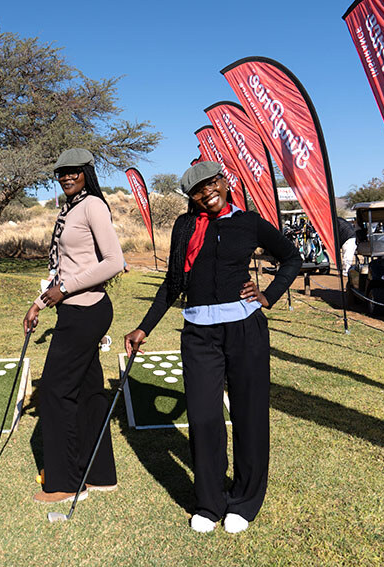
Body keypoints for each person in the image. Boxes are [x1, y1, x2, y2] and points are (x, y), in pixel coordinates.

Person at [124, 161, 300, 534]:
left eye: (211, 183)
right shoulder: (186, 226)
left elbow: (292, 258)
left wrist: (268, 296)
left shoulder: (249, 222)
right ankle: (209, 501)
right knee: (204, 419)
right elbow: (173, 283)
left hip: (245, 330)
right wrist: (144, 327)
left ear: (224, 181)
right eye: (198, 191)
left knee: (249, 415)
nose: (207, 193)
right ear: (191, 198)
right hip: (199, 335)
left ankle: (245, 500)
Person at [23, 148, 125, 504]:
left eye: (74, 171)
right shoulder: (69, 208)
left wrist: (63, 290)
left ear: (87, 173)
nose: (66, 176)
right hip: (73, 309)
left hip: (87, 310)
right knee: (89, 393)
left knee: (53, 391)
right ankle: (100, 475)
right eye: (61, 172)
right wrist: (38, 303)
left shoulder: (93, 205)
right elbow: (64, 266)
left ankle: (66, 483)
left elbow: (115, 261)